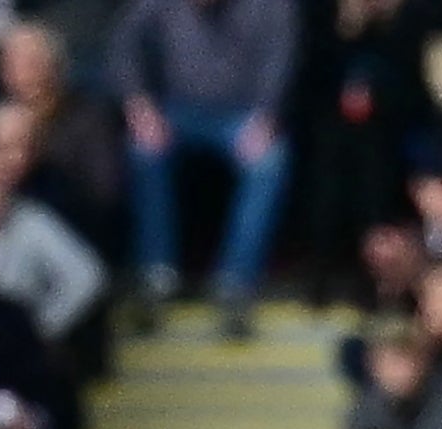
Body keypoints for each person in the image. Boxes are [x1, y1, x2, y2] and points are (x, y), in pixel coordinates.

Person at [107, 0, 299, 336]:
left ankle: (235, 283)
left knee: (270, 160)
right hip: (174, 109)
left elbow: (281, 60)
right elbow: (123, 43)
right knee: (143, 151)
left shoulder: (272, 5)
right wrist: (138, 103)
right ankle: (156, 275)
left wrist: (268, 116)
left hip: (242, 113)